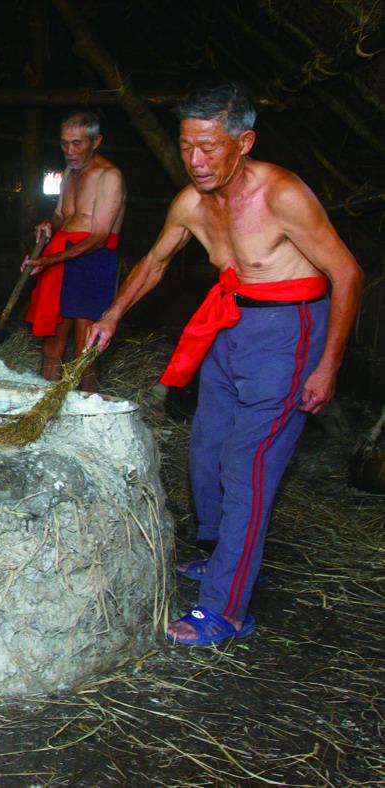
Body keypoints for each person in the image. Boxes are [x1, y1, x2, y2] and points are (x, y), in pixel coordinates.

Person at [85, 83, 363, 646]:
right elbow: (156, 262)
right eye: (188, 146)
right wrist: (112, 315)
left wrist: (328, 364)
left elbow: (349, 274)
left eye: (210, 147)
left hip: (289, 332)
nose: (196, 160)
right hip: (231, 326)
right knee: (206, 445)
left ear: (245, 142)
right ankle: (222, 554)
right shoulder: (190, 202)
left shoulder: (282, 195)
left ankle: (227, 608)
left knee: (248, 465)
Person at [22, 110, 126, 391]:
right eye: (64, 143)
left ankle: (85, 418)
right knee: (51, 347)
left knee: (84, 352)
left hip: (92, 262)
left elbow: (99, 237)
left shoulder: (109, 176)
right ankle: (45, 417)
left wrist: (49, 260)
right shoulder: (69, 172)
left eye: (77, 143)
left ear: (96, 141)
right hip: (61, 257)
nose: (69, 151)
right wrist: (48, 223)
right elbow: (61, 215)